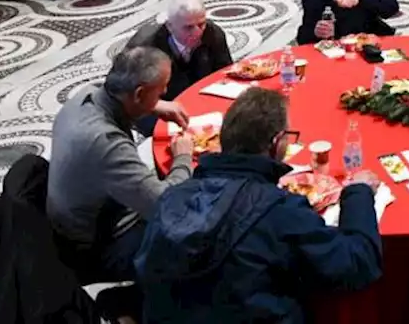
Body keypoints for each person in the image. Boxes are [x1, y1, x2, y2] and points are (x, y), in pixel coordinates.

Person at [135, 86, 383, 324]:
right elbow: (357, 263)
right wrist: (358, 193)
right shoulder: (280, 211)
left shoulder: (172, 197)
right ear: (277, 143)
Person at [48, 47, 193, 284]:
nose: (166, 92)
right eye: (160, 91)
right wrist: (183, 159)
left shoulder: (85, 96)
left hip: (73, 221)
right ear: (138, 93)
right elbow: (165, 205)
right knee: (195, 238)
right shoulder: (107, 146)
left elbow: (111, 92)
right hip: (97, 247)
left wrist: (155, 105)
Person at [126, 0, 233, 135]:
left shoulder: (213, 33)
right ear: (170, 26)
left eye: (201, 24)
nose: (197, 33)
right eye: (188, 27)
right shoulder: (144, 47)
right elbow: (122, 93)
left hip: (199, 99)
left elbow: (225, 72)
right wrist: (156, 105)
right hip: (158, 106)